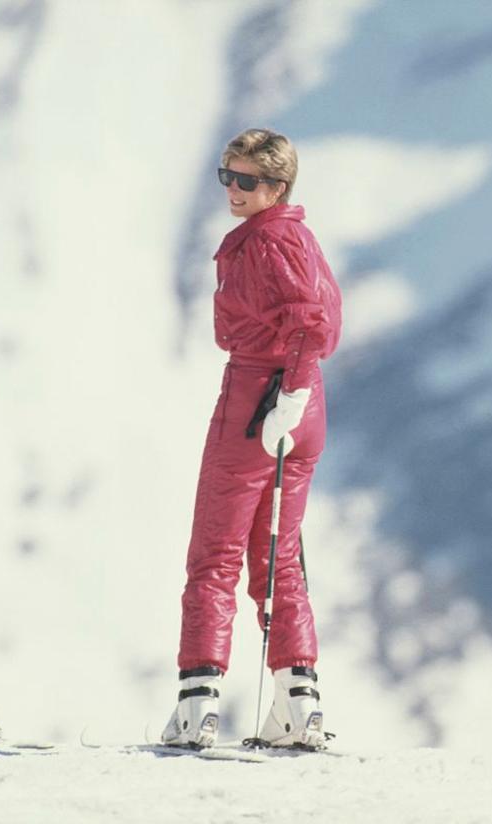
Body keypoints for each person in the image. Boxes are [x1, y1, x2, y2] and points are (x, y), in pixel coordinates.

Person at [163, 128, 342, 750]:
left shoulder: (268, 241)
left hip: (259, 395)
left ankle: (197, 705)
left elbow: (312, 323)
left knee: (214, 551)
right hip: (301, 400)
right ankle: (299, 706)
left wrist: (284, 395)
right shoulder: (296, 237)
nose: (234, 191)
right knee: (279, 555)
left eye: (248, 181)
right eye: (228, 177)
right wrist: (298, 395)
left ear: (277, 186)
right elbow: (319, 322)